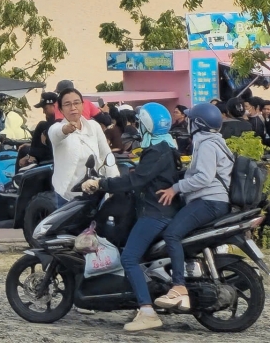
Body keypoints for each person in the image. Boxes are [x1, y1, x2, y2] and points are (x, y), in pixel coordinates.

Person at [80, 104, 180, 331]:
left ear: (146, 125)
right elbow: (145, 176)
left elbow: (136, 181)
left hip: (155, 213)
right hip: (162, 211)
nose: (136, 126)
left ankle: (147, 311)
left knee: (129, 258)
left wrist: (101, 183)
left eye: (139, 123)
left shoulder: (156, 151)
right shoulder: (166, 145)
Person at [153, 103, 234, 312]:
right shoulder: (214, 141)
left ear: (197, 123)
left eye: (190, 119)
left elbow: (204, 177)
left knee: (171, 235)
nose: (187, 122)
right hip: (214, 201)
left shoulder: (206, 144)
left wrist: (176, 188)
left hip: (209, 201)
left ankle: (178, 287)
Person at [48, 88, 117, 207]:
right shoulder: (56, 128)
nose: (73, 107)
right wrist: (66, 129)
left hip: (95, 191)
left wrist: (114, 184)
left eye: (76, 103)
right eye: (67, 104)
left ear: (82, 105)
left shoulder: (94, 126)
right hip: (67, 195)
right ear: (61, 109)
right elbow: (56, 133)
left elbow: (106, 155)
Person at [23, 91, 60, 166]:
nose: (43, 112)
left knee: (41, 124)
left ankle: (31, 157)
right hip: (51, 155)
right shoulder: (50, 120)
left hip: (53, 158)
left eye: (45, 108)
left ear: (54, 105)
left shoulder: (60, 119)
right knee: (23, 149)